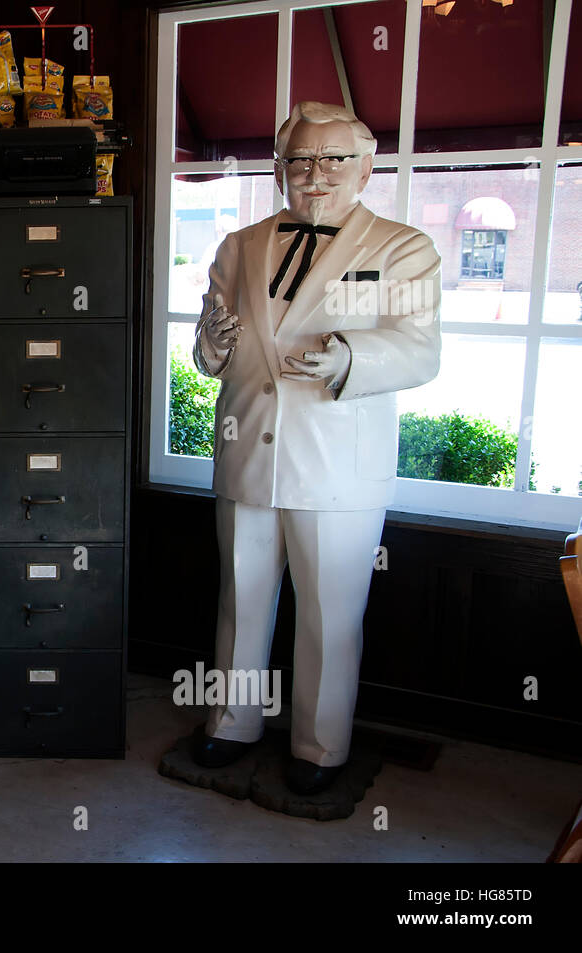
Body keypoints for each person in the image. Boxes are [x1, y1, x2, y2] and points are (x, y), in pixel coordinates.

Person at [191, 101, 442, 795]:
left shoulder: (402, 247)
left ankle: (319, 745)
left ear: (365, 168)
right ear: (279, 169)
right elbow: (211, 351)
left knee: (330, 614)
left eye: (334, 159)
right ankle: (231, 721)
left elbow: (421, 351)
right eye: (300, 159)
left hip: (338, 464)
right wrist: (212, 343)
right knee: (240, 599)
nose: (316, 173)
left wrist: (350, 358)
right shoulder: (239, 245)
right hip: (248, 450)